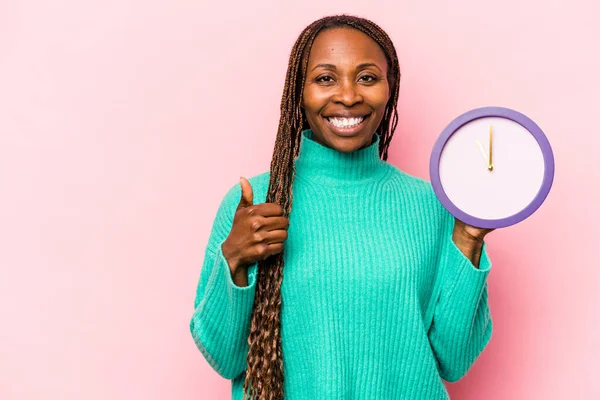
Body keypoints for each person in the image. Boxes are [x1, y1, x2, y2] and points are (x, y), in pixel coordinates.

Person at [190, 14, 495, 400]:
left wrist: (468, 239)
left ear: (390, 88)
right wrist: (233, 261)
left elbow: (454, 360)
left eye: (367, 77)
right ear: (298, 92)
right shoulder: (254, 202)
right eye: (325, 79)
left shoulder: (433, 205)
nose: (349, 96)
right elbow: (224, 358)